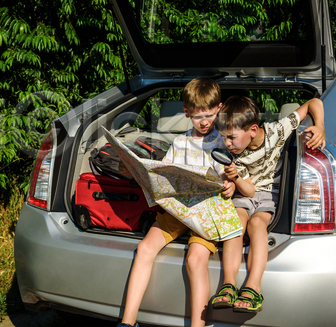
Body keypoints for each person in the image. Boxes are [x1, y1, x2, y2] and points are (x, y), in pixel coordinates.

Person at [117, 78, 238, 327]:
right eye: (197, 117)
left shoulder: (222, 143)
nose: (204, 122)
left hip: (207, 214)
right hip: (178, 210)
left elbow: (229, 177)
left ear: (219, 109)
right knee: (145, 249)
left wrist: (231, 185)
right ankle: (127, 322)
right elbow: (167, 173)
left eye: (209, 115)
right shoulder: (179, 143)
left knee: (195, 259)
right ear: (187, 113)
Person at [210, 95, 325, 313]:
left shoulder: (277, 131)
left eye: (231, 137)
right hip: (246, 191)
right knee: (235, 225)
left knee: (257, 225)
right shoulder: (234, 154)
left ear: (253, 130)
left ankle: (253, 286)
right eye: (224, 137)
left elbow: (313, 103)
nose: (227, 143)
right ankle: (228, 285)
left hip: (270, 195)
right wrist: (235, 177)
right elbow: (249, 190)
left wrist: (320, 126)